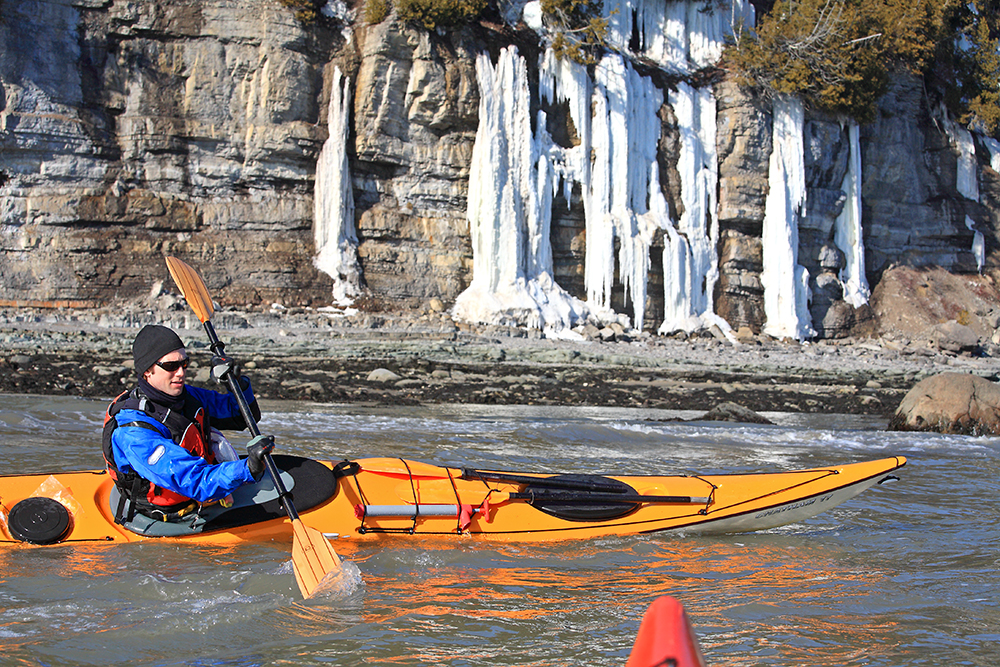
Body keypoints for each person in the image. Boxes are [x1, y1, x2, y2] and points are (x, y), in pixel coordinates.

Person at [102, 324, 274, 524]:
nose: (180, 372)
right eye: (170, 366)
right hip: (168, 514)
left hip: (202, 491)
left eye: (184, 364)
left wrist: (237, 384)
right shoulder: (134, 431)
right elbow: (192, 480)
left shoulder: (188, 397)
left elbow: (243, 415)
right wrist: (248, 467)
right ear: (147, 371)